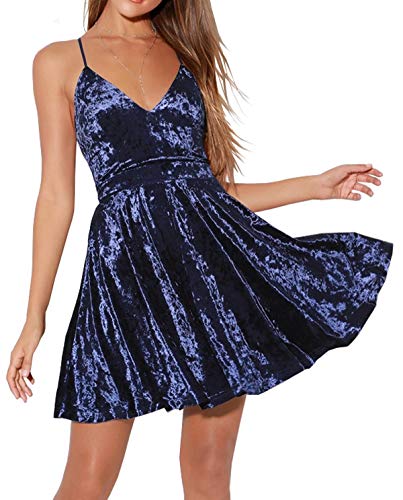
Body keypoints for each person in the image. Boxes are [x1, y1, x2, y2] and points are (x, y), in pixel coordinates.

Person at [6, 0, 393, 498]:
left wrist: (315, 186)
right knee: (87, 480)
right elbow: (56, 197)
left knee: (208, 472)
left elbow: (210, 195)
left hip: (210, 281)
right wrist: (34, 317)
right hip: (124, 281)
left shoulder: (189, 58)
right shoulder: (58, 61)